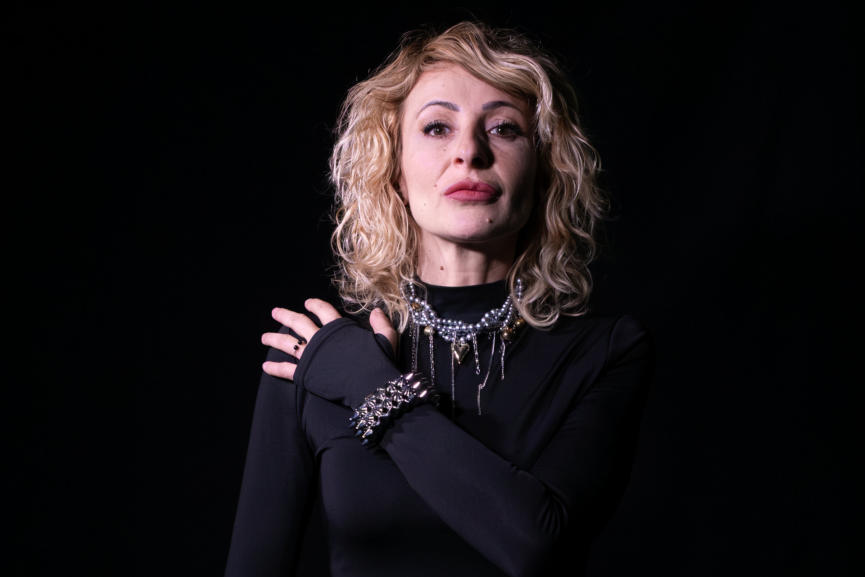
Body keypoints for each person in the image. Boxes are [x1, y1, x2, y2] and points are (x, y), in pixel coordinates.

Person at [225, 20, 654, 577]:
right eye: (436, 128)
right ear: (395, 170)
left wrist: (371, 387)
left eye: (503, 128)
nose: (469, 152)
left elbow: (536, 545)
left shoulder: (607, 351)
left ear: (544, 170)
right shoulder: (313, 351)